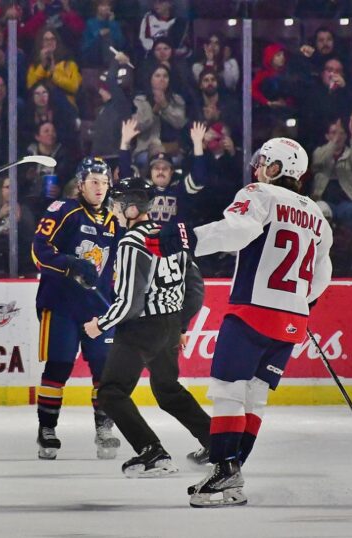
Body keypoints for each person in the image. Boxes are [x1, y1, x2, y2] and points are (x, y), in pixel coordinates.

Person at [148, 137, 333, 508]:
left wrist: (188, 239)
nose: (258, 166)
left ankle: (225, 471)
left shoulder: (260, 193)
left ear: (279, 167)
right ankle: (231, 471)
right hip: (294, 317)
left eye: (265, 161)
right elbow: (321, 278)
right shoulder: (317, 215)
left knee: (228, 389)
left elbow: (237, 230)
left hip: (253, 309)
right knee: (255, 395)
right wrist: (297, 302)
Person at [86, 177, 211, 478]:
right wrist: (179, 324)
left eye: (117, 203)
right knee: (167, 390)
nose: (113, 208)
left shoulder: (131, 242)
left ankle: (152, 452)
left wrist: (100, 324)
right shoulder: (169, 236)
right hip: (168, 326)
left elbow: (130, 301)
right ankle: (217, 442)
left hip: (141, 329)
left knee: (111, 392)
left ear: (131, 207)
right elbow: (195, 290)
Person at [30, 157, 122, 461]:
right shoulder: (63, 211)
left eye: (104, 182)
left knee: (105, 370)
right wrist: (72, 264)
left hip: (98, 310)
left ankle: (104, 427)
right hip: (61, 307)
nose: (99, 187)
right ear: (80, 184)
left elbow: (118, 266)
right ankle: (47, 429)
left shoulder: (112, 221)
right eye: (93, 182)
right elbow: (38, 251)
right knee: (58, 366)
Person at [117, 119, 208, 226]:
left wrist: (197, 144)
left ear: (171, 172)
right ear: (150, 172)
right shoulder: (142, 190)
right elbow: (125, 176)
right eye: (156, 168)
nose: (160, 171)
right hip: (145, 238)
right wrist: (125, 142)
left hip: (173, 239)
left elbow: (199, 178)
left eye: (165, 168)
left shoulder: (180, 188)